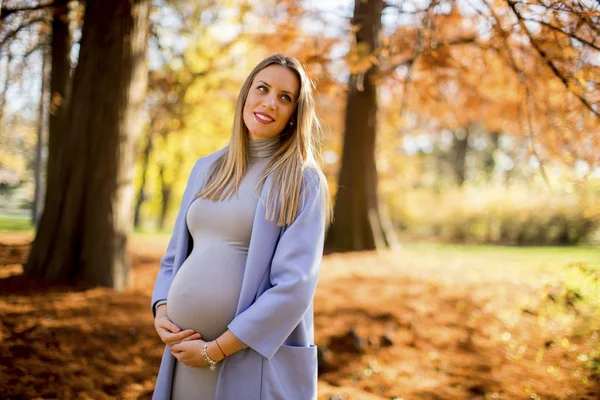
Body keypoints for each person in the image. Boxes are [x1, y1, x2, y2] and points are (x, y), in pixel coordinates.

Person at [150, 54, 332, 400]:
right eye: (262, 89)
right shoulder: (206, 168)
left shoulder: (303, 181)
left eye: (285, 97)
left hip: (248, 359)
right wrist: (161, 310)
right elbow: (174, 257)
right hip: (183, 354)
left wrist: (216, 349)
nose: (269, 103)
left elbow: (295, 286)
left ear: (295, 113)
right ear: (246, 94)